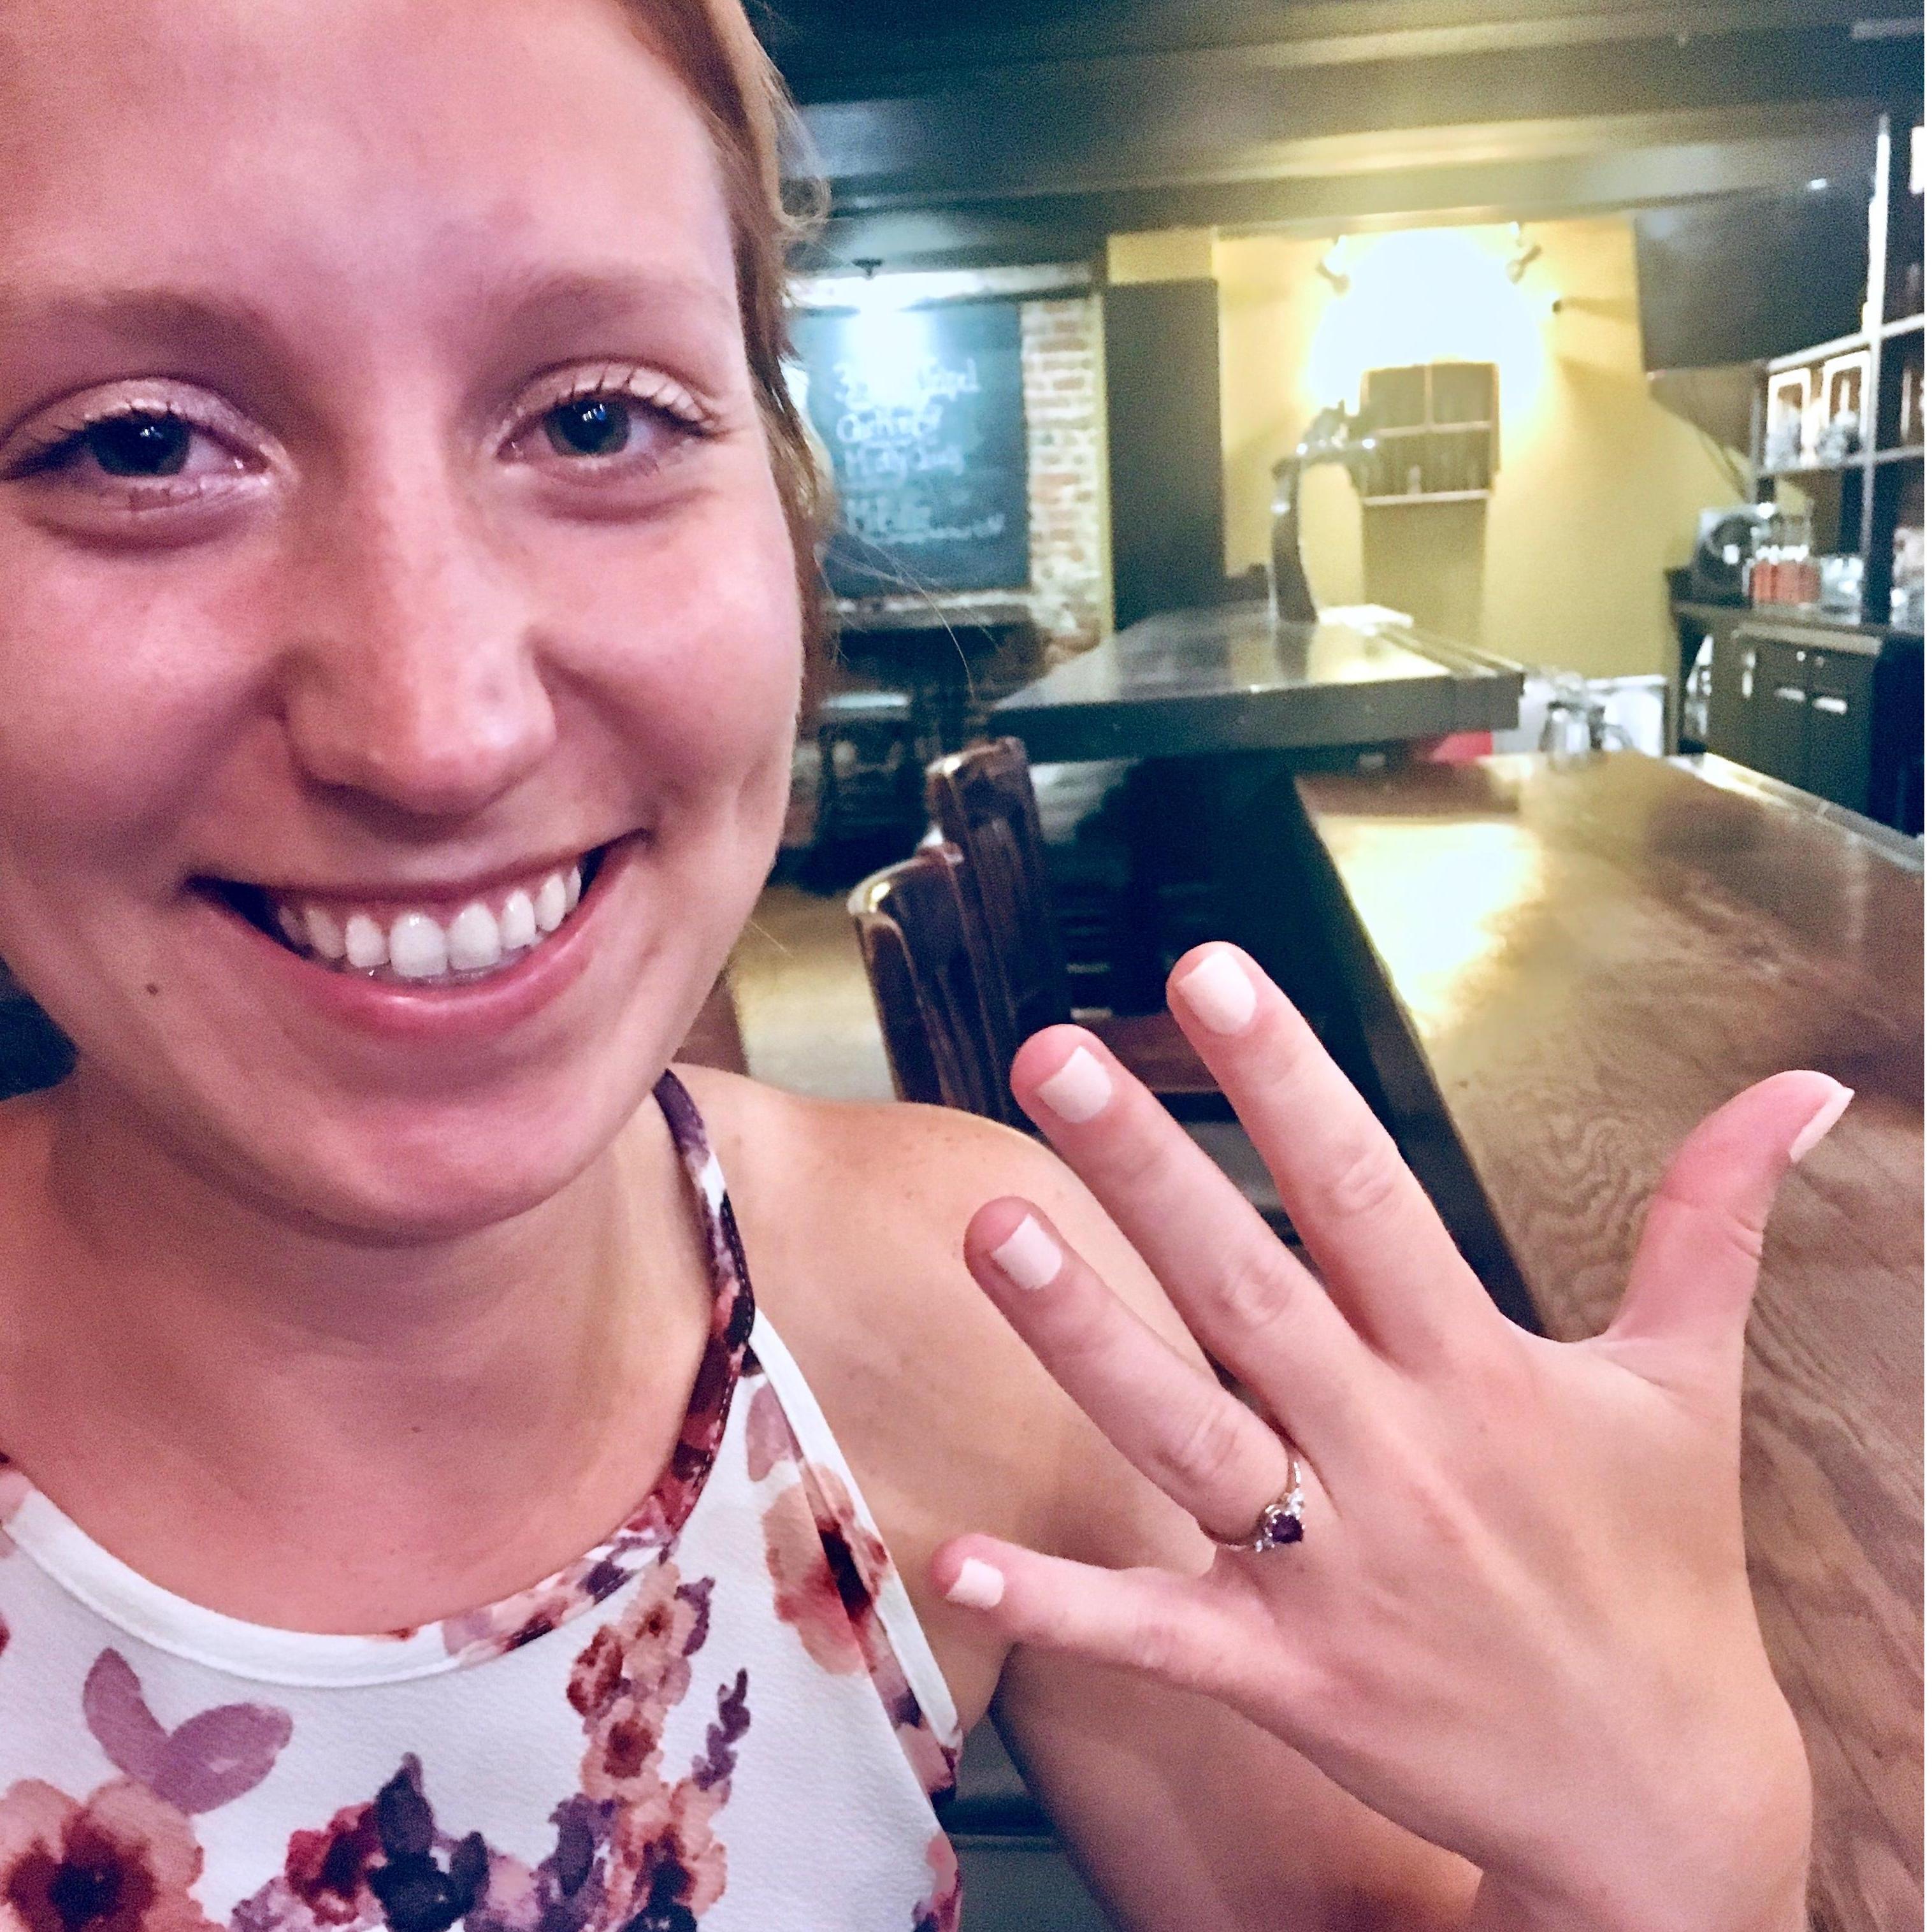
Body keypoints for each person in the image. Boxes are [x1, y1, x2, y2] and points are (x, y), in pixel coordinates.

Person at [0, 3, 1838, 1928]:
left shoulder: (973, 1308)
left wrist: (1667, 1855)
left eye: (599, 417)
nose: (434, 726)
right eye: (137, 445)